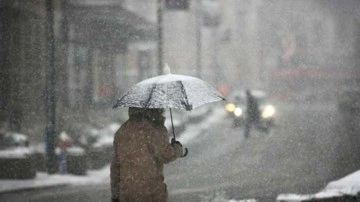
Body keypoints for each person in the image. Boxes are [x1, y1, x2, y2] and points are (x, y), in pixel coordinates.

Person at [110, 107, 184, 202]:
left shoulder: (122, 131)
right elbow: (166, 155)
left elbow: (115, 167)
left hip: (127, 192)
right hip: (151, 191)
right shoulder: (155, 129)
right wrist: (177, 148)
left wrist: (115, 195)